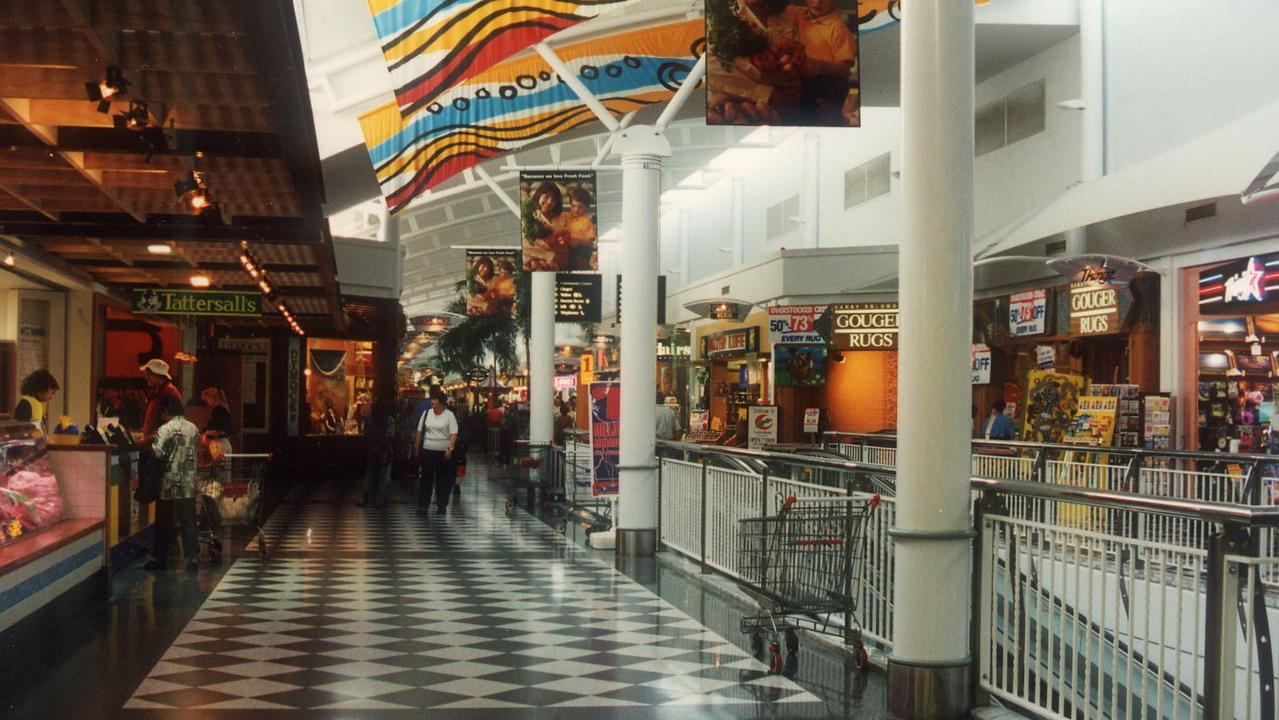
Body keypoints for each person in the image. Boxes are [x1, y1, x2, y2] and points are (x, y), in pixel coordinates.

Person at [145, 396, 200, 571]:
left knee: (163, 522)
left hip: (168, 483)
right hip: (188, 482)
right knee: (188, 522)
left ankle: (160, 559)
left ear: (166, 412)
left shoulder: (165, 429)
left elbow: (158, 453)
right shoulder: (194, 428)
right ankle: (192, 559)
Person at [414, 389, 458, 514]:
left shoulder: (449, 415)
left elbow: (453, 433)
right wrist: (417, 447)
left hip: (443, 451)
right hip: (427, 450)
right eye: (432, 399)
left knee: (442, 479)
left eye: (435, 400)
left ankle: (442, 504)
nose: (432, 402)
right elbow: (419, 431)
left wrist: (450, 449)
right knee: (426, 479)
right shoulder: (427, 413)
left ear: (442, 403)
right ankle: (423, 505)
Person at [358, 401, 396, 508]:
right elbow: (391, 436)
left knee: (370, 474)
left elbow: (366, 434)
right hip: (385, 451)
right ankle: (379, 500)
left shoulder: (370, 420)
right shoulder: (390, 420)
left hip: (373, 450)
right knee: (383, 476)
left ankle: (363, 498)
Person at [140, 359, 184, 439]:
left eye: (149, 374)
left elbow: (173, 423)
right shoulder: (159, 391)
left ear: (159, 375)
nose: (146, 377)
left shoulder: (169, 393)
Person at [13, 369, 59, 434]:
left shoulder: (30, 401)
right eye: (50, 393)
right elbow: (34, 432)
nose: (51, 397)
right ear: (42, 389)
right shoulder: (30, 404)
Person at [565, 187, 597, 270]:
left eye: (580, 207)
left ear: (587, 208)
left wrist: (579, 241)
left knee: (578, 260)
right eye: (573, 206)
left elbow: (590, 242)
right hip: (567, 248)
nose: (576, 209)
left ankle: (582, 265)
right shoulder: (567, 216)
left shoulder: (587, 222)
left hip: (581, 249)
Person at [200, 386, 233, 464]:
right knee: (225, 472)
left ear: (211, 398)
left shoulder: (217, 410)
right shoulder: (224, 409)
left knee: (220, 472)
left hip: (219, 444)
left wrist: (206, 433)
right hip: (226, 444)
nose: (207, 403)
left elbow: (220, 431)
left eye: (206, 400)